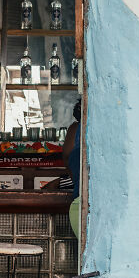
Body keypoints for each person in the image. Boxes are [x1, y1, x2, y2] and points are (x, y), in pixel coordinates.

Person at [63, 99, 81, 238]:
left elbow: (67, 158)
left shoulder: (75, 129)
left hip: (79, 193)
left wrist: (75, 178)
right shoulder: (76, 129)